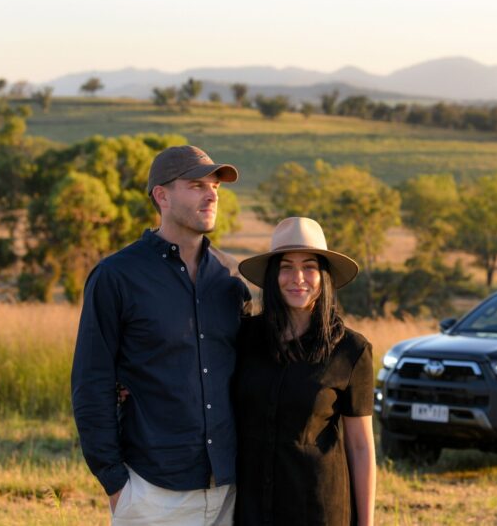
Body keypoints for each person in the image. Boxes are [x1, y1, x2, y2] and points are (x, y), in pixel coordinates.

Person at [71, 145, 251, 525]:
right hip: (152, 492)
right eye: (197, 185)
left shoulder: (232, 279)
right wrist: (116, 484)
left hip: (229, 492)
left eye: (216, 187)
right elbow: (92, 382)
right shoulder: (117, 277)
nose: (211, 195)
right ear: (162, 195)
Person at [234, 216, 377, 526]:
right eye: (286, 267)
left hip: (318, 507)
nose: (297, 277)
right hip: (251, 508)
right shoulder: (244, 338)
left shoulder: (351, 350)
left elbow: (361, 446)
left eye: (310, 267)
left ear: (324, 276)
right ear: (272, 276)